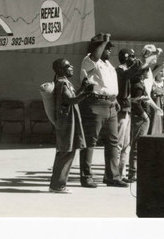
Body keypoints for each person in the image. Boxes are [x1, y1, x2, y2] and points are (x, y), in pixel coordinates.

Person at [78, 33, 127, 188]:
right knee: (90, 141)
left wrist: (115, 100)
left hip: (111, 104)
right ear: (96, 48)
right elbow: (94, 57)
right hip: (95, 103)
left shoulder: (108, 65)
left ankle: (112, 176)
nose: (109, 51)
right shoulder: (89, 60)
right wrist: (103, 41)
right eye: (106, 48)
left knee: (113, 142)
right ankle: (86, 177)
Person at [49, 58, 93, 193]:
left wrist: (83, 88)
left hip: (69, 121)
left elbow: (72, 96)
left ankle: (58, 184)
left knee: (68, 151)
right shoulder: (62, 84)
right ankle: (57, 185)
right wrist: (86, 92)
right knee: (65, 152)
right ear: (61, 70)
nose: (72, 67)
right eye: (68, 65)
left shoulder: (64, 82)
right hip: (67, 122)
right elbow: (70, 100)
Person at [115, 48, 152, 182]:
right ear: (125, 57)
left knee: (126, 145)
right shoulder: (120, 70)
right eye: (131, 56)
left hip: (127, 110)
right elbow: (132, 72)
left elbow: (137, 71)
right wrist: (143, 59)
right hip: (121, 111)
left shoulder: (128, 73)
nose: (133, 58)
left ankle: (121, 174)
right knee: (119, 145)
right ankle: (114, 175)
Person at [127, 68, 163, 181]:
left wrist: (156, 108)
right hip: (140, 118)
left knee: (140, 145)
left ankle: (137, 171)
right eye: (147, 71)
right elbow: (136, 103)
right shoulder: (137, 86)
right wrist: (145, 116)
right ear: (142, 73)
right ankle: (133, 173)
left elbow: (147, 99)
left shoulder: (141, 84)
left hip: (143, 118)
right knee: (137, 145)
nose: (150, 73)